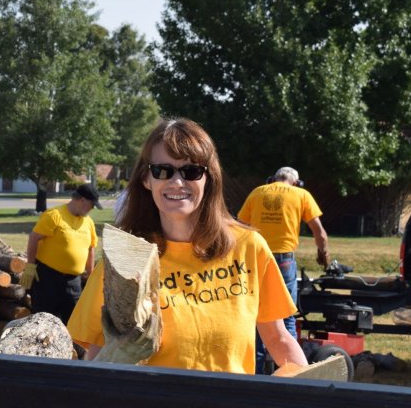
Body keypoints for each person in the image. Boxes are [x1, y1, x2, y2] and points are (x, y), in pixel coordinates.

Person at [67, 118, 307, 374]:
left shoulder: (249, 247)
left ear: (209, 178)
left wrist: (313, 391)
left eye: (191, 171)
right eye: (163, 170)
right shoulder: (123, 259)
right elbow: (95, 356)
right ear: (147, 179)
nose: (177, 182)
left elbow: (278, 338)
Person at [237, 166, 329, 372]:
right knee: (285, 315)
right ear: (296, 182)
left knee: (257, 315)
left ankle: (255, 372)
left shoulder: (258, 192)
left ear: (272, 179)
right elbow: (319, 233)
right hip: (284, 261)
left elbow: (240, 226)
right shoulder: (301, 194)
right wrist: (324, 256)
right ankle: (292, 372)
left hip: (256, 259)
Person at [21, 184, 102, 323]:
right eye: (91, 205)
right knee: (43, 322)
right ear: (82, 200)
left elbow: (90, 249)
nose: (92, 209)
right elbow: (34, 237)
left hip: (73, 282)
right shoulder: (54, 215)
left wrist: (90, 276)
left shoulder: (88, 222)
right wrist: (30, 265)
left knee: (73, 323)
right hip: (48, 278)